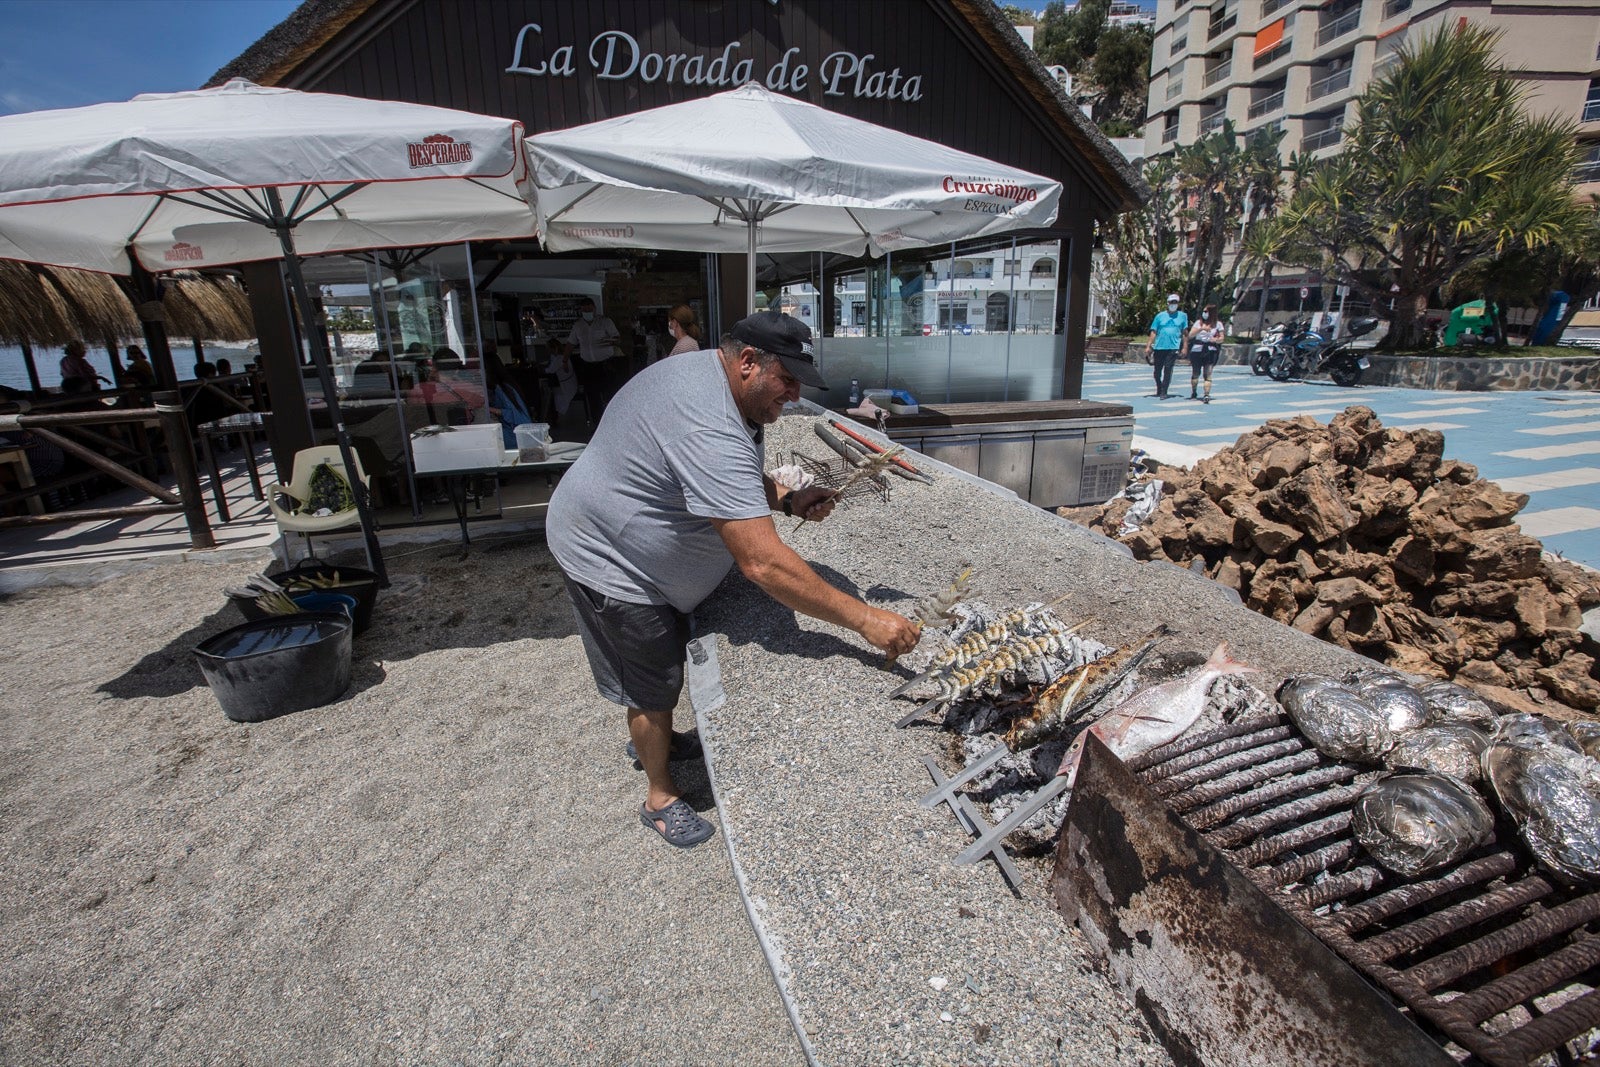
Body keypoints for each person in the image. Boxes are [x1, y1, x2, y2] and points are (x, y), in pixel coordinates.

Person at [546, 310, 922, 849]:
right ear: (748, 363)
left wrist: (788, 500)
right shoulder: (707, 420)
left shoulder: (716, 378)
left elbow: (734, 481)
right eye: (786, 381)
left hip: (627, 537)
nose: (793, 396)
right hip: (612, 559)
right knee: (652, 677)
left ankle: (660, 735)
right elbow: (762, 563)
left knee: (663, 668)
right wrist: (866, 620)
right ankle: (660, 795)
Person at [565, 297, 621, 424]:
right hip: (588, 366)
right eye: (584, 310)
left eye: (589, 309)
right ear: (581, 310)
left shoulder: (605, 322)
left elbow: (618, 339)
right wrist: (564, 360)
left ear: (594, 308)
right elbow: (570, 343)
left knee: (610, 394)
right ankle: (597, 425)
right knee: (592, 396)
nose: (587, 312)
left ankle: (614, 422)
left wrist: (610, 341)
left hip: (605, 364)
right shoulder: (578, 325)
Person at [1148, 293, 1188, 400]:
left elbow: (1185, 333)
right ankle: (1159, 387)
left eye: (1175, 302)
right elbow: (1153, 332)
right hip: (1159, 347)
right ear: (1168, 303)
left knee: (1168, 369)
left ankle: (1164, 391)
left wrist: (1185, 347)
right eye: (1171, 302)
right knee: (1157, 372)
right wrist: (1148, 346)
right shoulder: (1159, 316)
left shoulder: (1183, 316)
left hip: (1173, 347)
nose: (1173, 304)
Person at [1186, 304, 1224, 403]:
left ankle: (1206, 394)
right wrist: (1201, 329)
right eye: (1203, 312)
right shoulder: (1198, 323)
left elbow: (1222, 338)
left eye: (1206, 311)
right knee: (1196, 372)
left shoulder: (1218, 324)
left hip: (1210, 350)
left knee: (1208, 373)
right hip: (1197, 350)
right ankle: (1194, 391)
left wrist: (1215, 340)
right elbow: (1190, 335)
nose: (1204, 314)